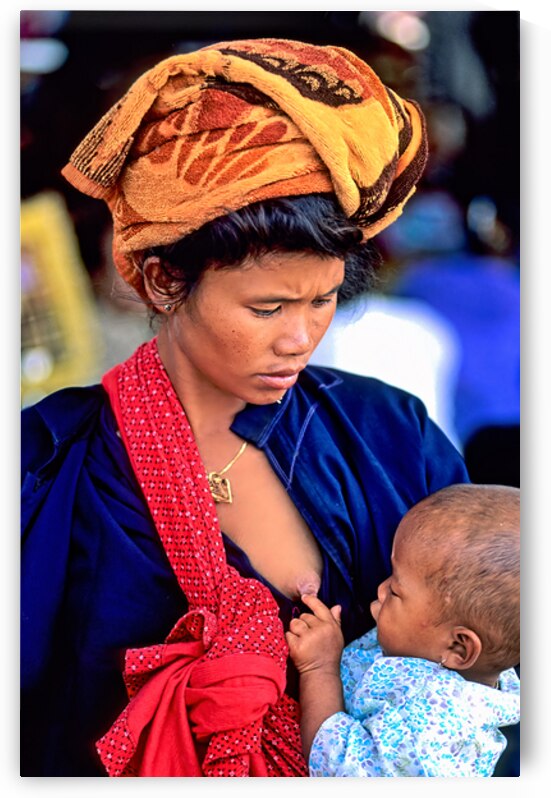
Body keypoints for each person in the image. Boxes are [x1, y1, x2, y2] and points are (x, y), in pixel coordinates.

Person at [21, 38, 470, 777]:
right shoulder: (43, 463)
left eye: (322, 300)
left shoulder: (389, 436)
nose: (299, 337)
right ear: (163, 280)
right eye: (266, 306)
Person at [287, 483, 520, 777]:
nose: (381, 590)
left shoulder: (432, 731)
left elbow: (337, 766)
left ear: (458, 647)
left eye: (396, 591)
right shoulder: (434, 649)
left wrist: (319, 669)